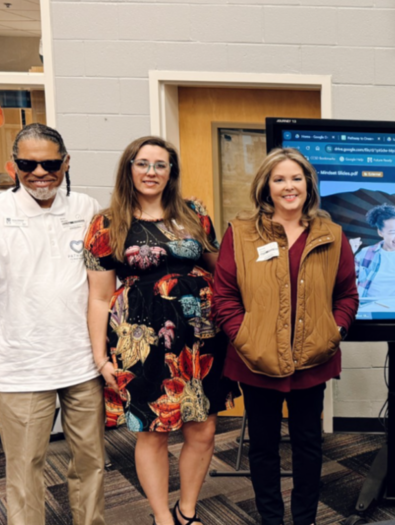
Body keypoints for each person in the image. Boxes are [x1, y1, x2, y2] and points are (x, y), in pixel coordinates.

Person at [84, 136, 237, 525]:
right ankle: (161, 518)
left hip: (201, 336)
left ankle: (186, 511)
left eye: (160, 165)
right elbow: (99, 297)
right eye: (143, 163)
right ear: (129, 168)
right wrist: (102, 358)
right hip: (141, 340)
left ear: (171, 172)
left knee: (202, 430)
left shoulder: (193, 213)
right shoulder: (106, 223)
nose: (151, 172)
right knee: (152, 430)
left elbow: (220, 269)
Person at [211, 148, 358, 525]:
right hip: (255, 359)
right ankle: (271, 520)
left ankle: (304, 519)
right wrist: (244, 338)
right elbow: (224, 294)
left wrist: (335, 331)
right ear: (266, 186)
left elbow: (346, 295)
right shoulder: (241, 233)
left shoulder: (332, 234)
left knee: (309, 445)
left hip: (313, 359)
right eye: (279, 179)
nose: (289, 186)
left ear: (308, 184)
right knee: (262, 447)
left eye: (296, 178)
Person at [0, 123, 105, 525]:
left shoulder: (87, 208)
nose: (39, 172)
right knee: (26, 467)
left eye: (50, 163)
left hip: (82, 360)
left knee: (91, 462)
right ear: (12, 166)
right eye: (27, 164)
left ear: (66, 163)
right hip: (22, 364)